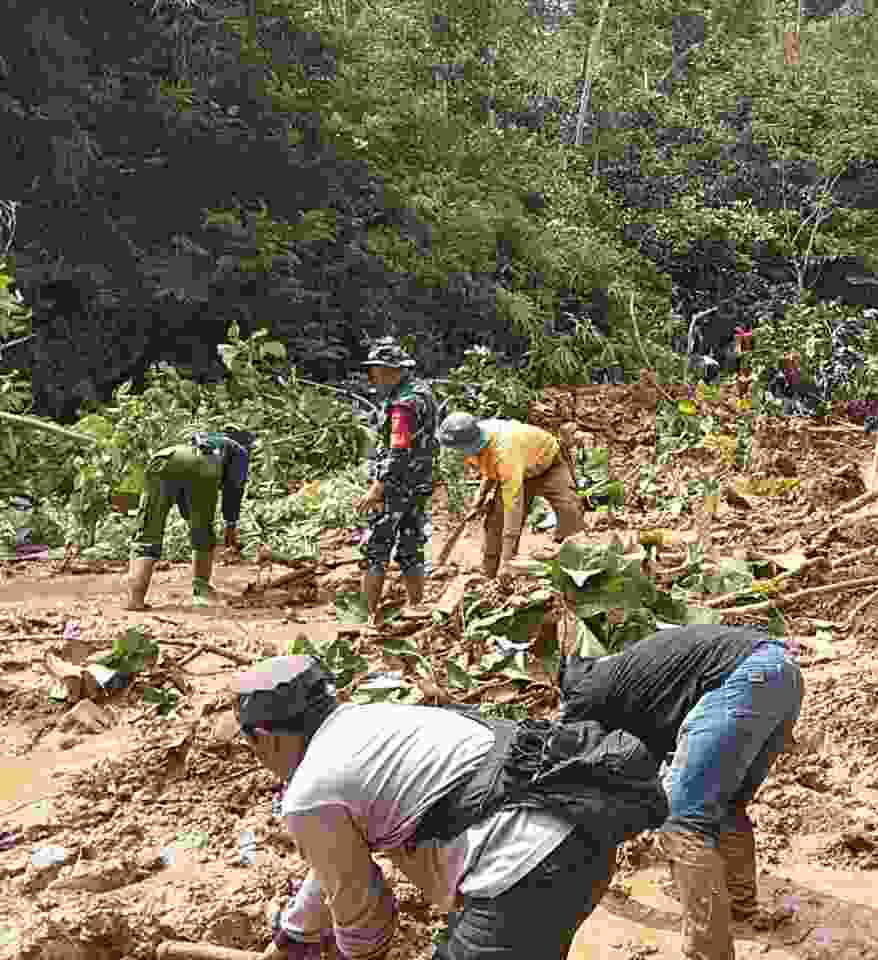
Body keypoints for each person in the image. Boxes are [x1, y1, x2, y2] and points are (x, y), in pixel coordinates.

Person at [239, 655, 665, 960]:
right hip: (581, 836)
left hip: (521, 872)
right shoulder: (369, 723)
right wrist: (294, 937)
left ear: (265, 737)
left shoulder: (310, 789)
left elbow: (367, 918)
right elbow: (333, 865)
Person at [559, 626, 804, 960]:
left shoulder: (585, 693)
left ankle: (708, 952)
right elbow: (646, 772)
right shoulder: (639, 679)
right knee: (724, 802)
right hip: (782, 671)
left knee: (683, 821)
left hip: (741, 680)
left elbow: (581, 777)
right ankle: (739, 905)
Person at [353, 337, 440, 625]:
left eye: (376, 371)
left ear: (392, 371)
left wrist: (376, 489)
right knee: (411, 546)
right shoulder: (423, 393)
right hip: (420, 483)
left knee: (377, 550)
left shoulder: (402, 406)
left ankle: (366, 618)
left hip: (395, 488)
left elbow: (397, 450)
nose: (373, 378)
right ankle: (417, 606)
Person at [436, 413, 586, 578]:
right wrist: (477, 502)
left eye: (455, 448)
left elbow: (513, 508)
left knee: (570, 512)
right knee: (496, 522)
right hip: (517, 469)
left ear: (467, 444)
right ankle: (489, 574)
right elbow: (491, 469)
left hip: (548, 465)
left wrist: (507, 562)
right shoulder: (476, 438)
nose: (453, 452)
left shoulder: (504, 450)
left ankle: (575, 569)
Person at [125, 428, 255, 610]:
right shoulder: (239, 451)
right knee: (202, 530)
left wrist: (190, 514)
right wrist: (230, 527)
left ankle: (135, 599)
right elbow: (233, 491)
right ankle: (201, 592)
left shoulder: (206, 440)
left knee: (148, 527)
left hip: (164, 458)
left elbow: (185, 479)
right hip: (202, 467)